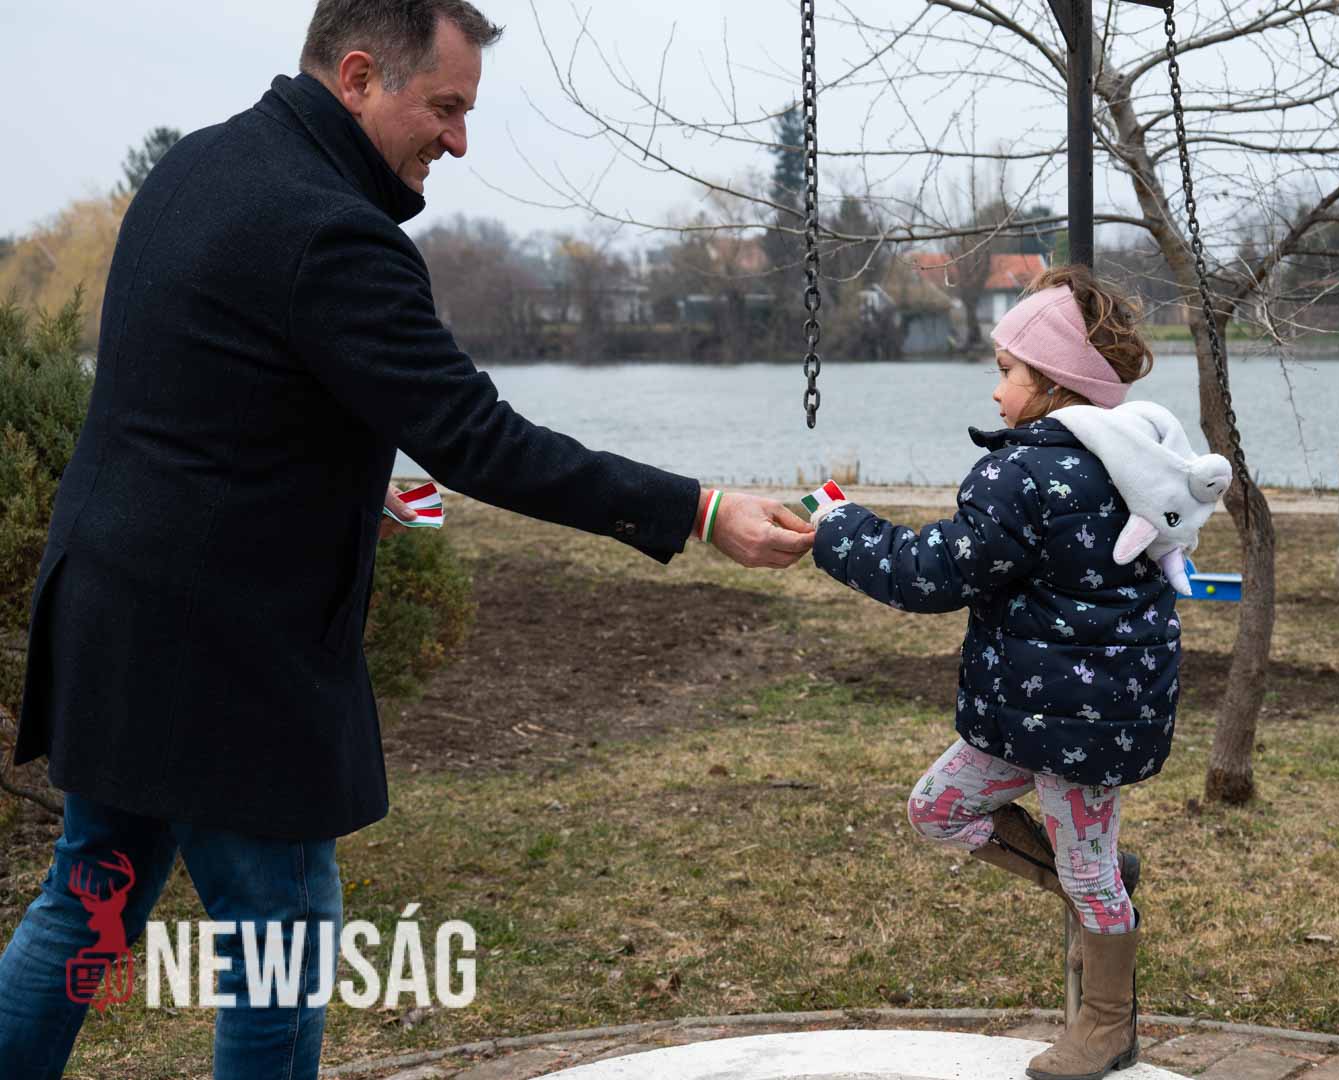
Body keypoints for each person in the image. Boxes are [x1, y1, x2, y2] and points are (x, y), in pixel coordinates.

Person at [0, 2, 812, 1076]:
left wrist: (325, 471)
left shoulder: (196, 166)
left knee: (85, 905)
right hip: (225, 660)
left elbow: (214, 396)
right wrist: (698, 509)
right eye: (444, 107)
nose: (459, 140)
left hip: (108, 608)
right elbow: (478, 440)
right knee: (281, 939)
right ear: (357, 77)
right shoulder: (331, 233)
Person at [809, 266, 1176, 1080]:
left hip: (1076, 720)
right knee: (938, 808)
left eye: (1006, 371)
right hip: (1037, 707)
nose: (995, 389)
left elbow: (932, 574)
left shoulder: (1026, 473)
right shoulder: (1121, 461)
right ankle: (1094, 884)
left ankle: (1106, 1026)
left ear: (1054, 382)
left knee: (1088, 873)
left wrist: (837, 525)